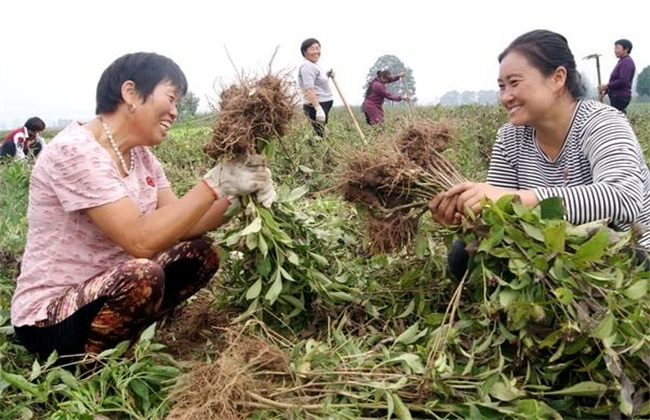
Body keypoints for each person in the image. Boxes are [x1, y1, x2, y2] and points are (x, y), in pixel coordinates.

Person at [10, 52, 277, 360]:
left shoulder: (142, 158)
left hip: (113, 287)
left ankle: (128, 332)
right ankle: (91, 363)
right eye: (171, 98)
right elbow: (140, 240)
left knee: (200, 253)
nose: (176, 112)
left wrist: (238, 194)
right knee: (142, 275)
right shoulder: (76, 151)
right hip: (51, 318)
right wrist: (214, 183)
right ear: (131, 93)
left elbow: (184, 226)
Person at [429, 29, 650, 280]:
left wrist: (518, 198)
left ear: (557, 78)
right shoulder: (510, 137)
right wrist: (465, 217)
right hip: (552, 251)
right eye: (502, 87)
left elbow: (624, 199)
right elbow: (500, 221)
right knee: (464, 253)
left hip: (625, 250)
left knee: (625, 252)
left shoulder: (602, 122)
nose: (506, 97)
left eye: (514, 83)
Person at [297, 38, 334, 138]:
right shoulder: (307, 67)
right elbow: (309, 89)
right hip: (316, 105)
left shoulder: (314, 65)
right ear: (305, 52)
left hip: (323, 103)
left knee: (320, 134)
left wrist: (327, 76)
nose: (316, 51)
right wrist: (318, 109)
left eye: (318, 48)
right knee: (318, 136)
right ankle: (317, 152)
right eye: (312, 49)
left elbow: (317, 82)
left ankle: (318, 151)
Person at [598, 39, 635, 114]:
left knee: (616, 119)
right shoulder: (622, 61)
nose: (615, 50)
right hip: (617, 96)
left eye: (617, 48)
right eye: (614, 48)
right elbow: (616, 81)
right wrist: (606, 91)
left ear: (626, 49)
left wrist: (606, 86)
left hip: (620, 97)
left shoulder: (626, 62)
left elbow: (623, 81)